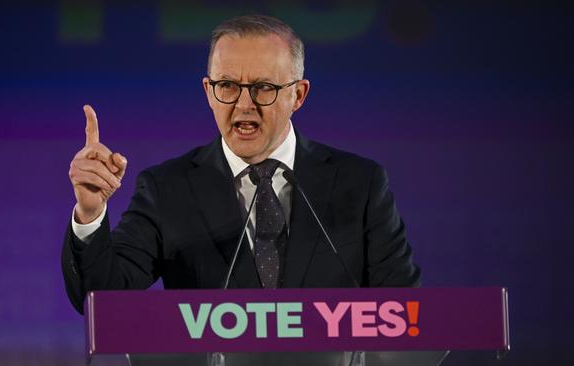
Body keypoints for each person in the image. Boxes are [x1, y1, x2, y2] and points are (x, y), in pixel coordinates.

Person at [62, 14, 420, 314]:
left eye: (263, 87)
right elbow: (103, 301)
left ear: (298, 95)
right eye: (228, 85)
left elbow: (406, 312)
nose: (244, 104)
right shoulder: (167, 189)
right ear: (208, 92)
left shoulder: (359, 184)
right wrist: (91, 213)